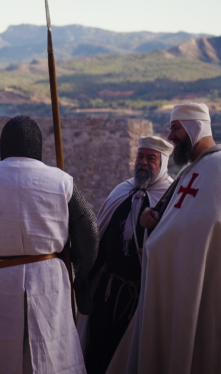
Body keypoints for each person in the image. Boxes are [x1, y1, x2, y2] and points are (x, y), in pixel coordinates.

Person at [114, 103, 221, 374]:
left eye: (175, 129)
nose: (170, 137)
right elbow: (181, 218)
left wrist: (159, 241)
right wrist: (154, 222)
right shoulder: (194, 169)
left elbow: (208, 229)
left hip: (217, 281)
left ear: (194, 127)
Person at [0, 115, 99, 374]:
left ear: (3, 144)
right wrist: (80, 276)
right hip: (49, 283)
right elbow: (89, 231)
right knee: (52, 360)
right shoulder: (62, 181)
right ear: (38, 145)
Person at [79, 136, 173, 374]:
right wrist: (83, 278)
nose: (143, 163)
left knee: (128, 357)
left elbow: (174, 249)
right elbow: (100, 239)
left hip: (144, 297)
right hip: (108, 292)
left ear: (162, 163)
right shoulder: (121, 191)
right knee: (96, 351)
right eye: (140, 157)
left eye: (151, 158)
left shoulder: (170, 199)